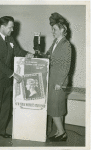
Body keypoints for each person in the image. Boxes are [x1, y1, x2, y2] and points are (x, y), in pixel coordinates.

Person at [0, 16, 32, 143]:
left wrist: (27, 54)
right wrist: (13, 74)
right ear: (2, 27)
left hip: (6, 80)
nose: (13, 29)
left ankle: (1, 131)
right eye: (10, 27)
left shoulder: (10, 39)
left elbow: (18, 51)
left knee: (5, 107)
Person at [40, 12, 71, 142]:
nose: (52, 31)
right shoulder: (55, 42)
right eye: (52, 29)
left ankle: (62, 133)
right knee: (55, 107)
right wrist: (38, 54)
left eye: (55, 29)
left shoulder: (66, 45)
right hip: (52, 79)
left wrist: (60, 82)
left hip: (58, 81)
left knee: (55, 108)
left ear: (62, 29)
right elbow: (48, 55)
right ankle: (59, 131)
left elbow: (66, 65)